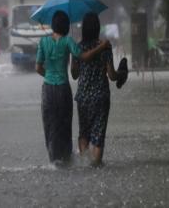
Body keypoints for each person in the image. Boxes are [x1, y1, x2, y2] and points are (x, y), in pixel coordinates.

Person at [35, 10, 110, 166]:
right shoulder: (68, 41)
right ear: (66, 26)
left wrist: (49, 76)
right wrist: (102, 46)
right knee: (64, 124)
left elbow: (38, 67)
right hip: (63, 88)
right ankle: (66, 159)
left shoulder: (43, 42)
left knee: (50, 124)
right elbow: (83, 57)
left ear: (53, 25)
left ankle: (53, 161)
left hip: (48, 89)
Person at [71, 12, 126, 167]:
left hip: (82, 97)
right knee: (98, 134)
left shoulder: (77, 48)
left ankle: (84, 164)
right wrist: (121, 74)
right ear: (97, 28)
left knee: (83, 133)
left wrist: (74, 59)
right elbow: (112, 75)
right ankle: (95, 164)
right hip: (101, 97)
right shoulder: (105, 47)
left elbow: (74, 75)